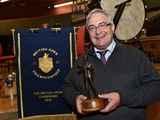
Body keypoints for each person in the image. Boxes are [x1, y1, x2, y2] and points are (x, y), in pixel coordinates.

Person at [62, 8, 160, 120]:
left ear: (112, 27)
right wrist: (75, 98)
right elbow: (67, 87)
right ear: (88, 33)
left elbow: (156, 88)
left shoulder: (136, 56)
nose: (98, 31)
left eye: (102, 25)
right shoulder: (81, 61)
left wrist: (122, 98)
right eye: (92, 28)